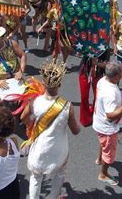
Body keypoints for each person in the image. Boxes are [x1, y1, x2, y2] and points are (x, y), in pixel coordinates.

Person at [21, 60, 80, 199]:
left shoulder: (34, 102)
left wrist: (31, 124)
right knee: (59, 173)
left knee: (36, 178)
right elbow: (75, 131)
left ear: (43, 82)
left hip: (39, 148)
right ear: (59, 84)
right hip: (59, 148)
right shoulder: (67, 106)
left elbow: (23, 118)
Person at [93, 61, 122, 186]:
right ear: (116, 76)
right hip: (108, 128)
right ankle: (103, 174)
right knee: (109, 153)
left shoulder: (103, 81)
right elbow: (111, 116)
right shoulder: (111, 93)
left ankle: (99, 159)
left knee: (103, 143)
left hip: (98, 122)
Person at [79, 49, 111, 127]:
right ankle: (85, 119)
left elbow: (106, 64)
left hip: (98, 74)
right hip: (85, 72)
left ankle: (95, 115)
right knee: (84, 97)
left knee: (97, 97)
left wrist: (96, 63)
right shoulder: (86, 44)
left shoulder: (106, 48)